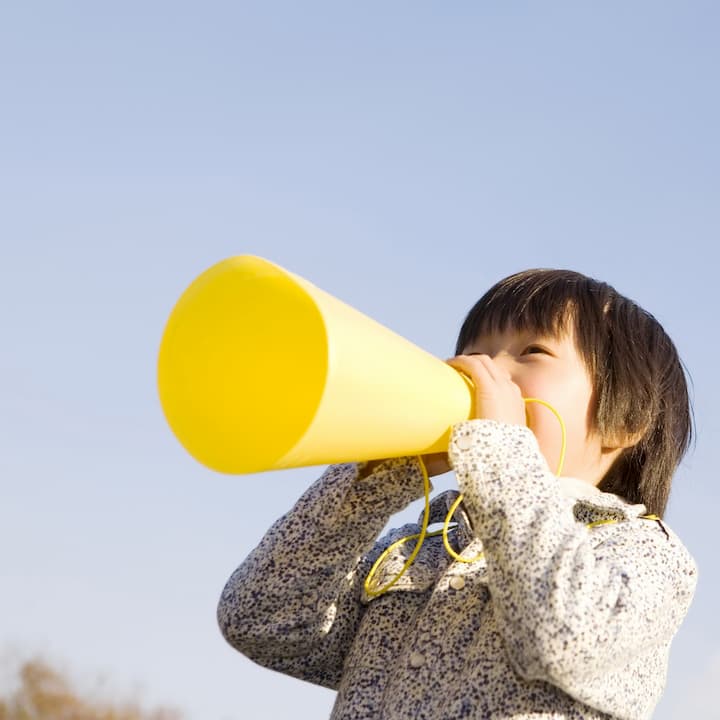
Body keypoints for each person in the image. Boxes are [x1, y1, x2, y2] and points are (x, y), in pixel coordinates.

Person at [217, 269, 697, 720]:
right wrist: (374, 482)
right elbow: (260, 621)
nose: (483, 369)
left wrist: (502, 453)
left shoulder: (645, 553)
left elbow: (559, 632)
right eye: (474, 352)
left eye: (532, 351)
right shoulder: (415, 547)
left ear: (626, 421)